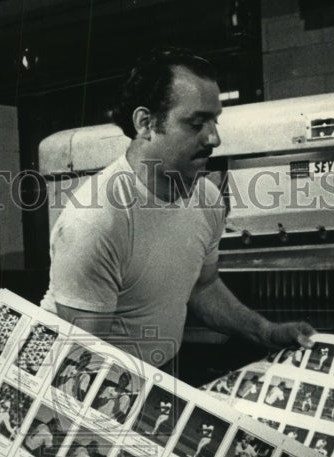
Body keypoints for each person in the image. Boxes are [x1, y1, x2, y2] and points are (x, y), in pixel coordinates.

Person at [40, 48, 313, 372]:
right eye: (197, 123)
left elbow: (203, 285)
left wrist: (264, 332)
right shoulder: (97, 220)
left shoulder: (206, 198)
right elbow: (82, 365)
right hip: (96, 386)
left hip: (158, 373)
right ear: (146, 123)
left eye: (215, 121)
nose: (214, 137)